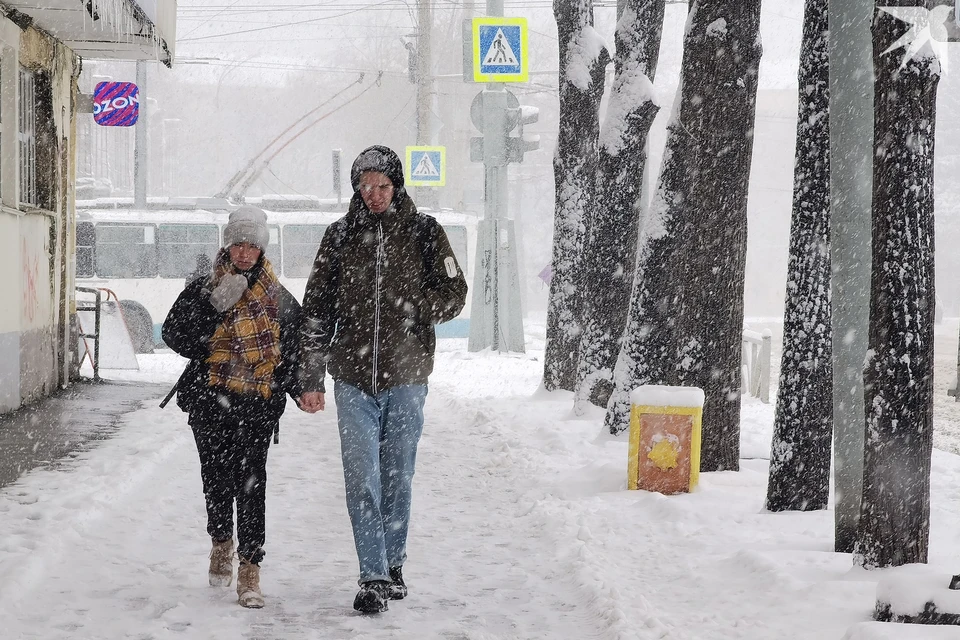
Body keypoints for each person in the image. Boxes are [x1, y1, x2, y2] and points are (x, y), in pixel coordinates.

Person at [299, 145, 468, 614]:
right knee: (361, 476)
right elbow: (316, 311)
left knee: (397, 476)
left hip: (407, 376)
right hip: (352, 377)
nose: (373, 195)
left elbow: (456, 291)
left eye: (382, 186)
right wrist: (310, 375)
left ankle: (394, 563)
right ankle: (372, 574)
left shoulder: (424, 233)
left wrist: (418, 309)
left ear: (397, 186)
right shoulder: (339, 237)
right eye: (365, 187)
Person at [161, 206, 305, 609]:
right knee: (217, 479)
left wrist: (302, 390)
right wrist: (213, 309)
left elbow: (293, 350)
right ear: (227, 244)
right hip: (210, 400)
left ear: (262, 249)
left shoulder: (277, 296)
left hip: (257, 405)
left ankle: (250, 567)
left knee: (252, 482)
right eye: (238, 243)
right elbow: (173, 334)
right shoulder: (204, 286)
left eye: (252, 245)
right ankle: (221, 540)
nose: (244, 252)